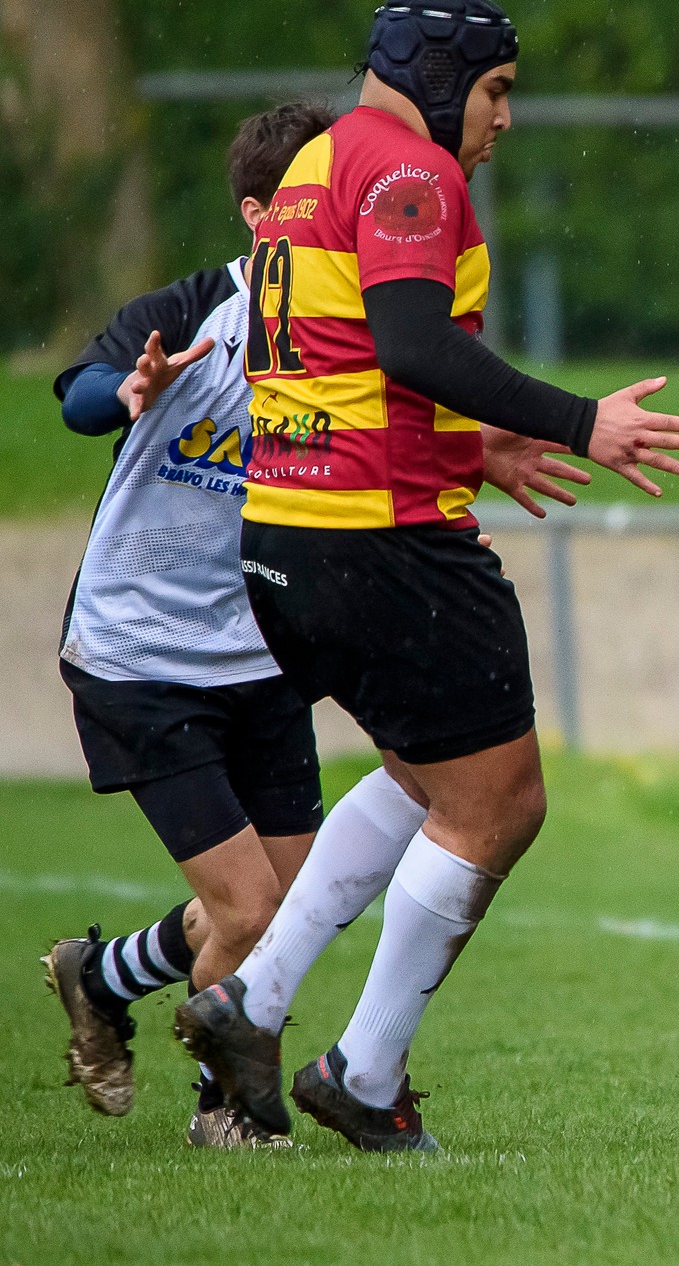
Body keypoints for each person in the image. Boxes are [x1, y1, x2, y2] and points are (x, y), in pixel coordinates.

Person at [172, 0, 679, 1154]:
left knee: (429, 780)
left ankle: (251, 1003)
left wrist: (479, 445)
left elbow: (345, 361)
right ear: (439, 72)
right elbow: (410, 343)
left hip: (289, 534)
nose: (503, 119)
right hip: (387, 543)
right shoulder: (414, 172)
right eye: (498, 90)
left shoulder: (315, 164)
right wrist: (579, 422)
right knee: (501, 801)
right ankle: (359, 1073)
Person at [40, 100, 590, 1149]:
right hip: (141, 652)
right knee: (251, 913)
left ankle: (101, 975)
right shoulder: (198, 311)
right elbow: (79, 397)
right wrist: (130, 388)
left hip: (258, 644)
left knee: (287, 901)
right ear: (263, 214)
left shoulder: (341, 336)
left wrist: (484, 454)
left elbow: (375, 435)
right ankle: (229, 1118)